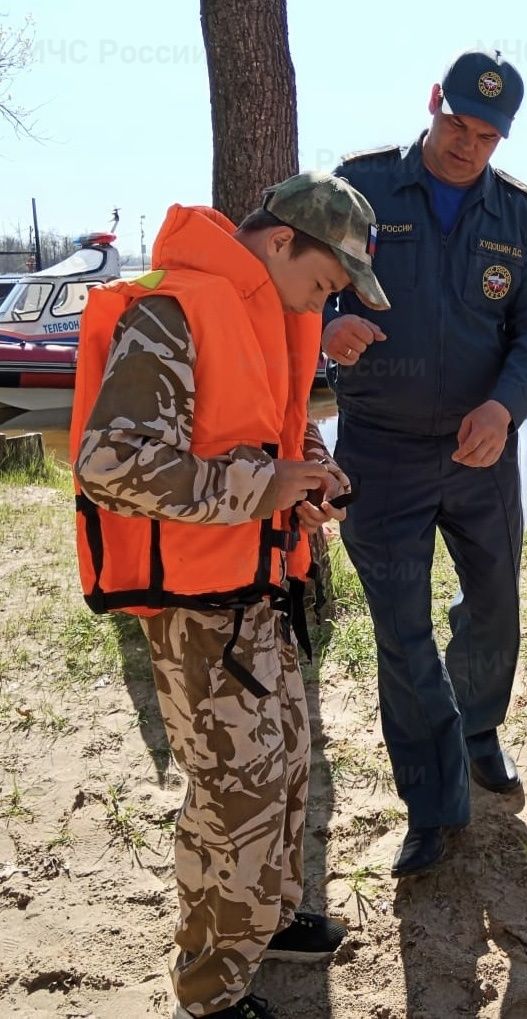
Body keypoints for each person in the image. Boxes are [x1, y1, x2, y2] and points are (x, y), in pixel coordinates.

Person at [70, 171, 390, 1019]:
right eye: (324, 284)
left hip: (256, 591)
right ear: (282, 241)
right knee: (232, 798)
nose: (322, 304)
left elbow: (264, 431)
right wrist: (262, 485)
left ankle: (269, 920)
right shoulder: (172, 309)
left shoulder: (265, 309)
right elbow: (109, 465)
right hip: (196, 610)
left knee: (284, 770)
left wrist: (310, 474)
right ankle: (210, 990)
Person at [323, 48, 527, 877]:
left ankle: (478, 731)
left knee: (494, 604)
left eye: (487, 134)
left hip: (481, 450)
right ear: (433, 102)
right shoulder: (359, 190)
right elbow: (297, 282)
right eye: (457, 123)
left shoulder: (521, 216)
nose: (467, 144)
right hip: (379, 451)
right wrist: (325, 333)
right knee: (402, 627)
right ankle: (429, 803)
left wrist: (506, 407)